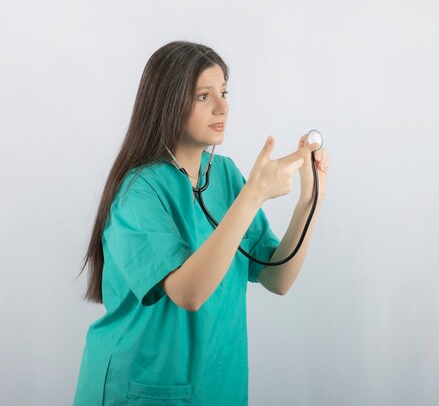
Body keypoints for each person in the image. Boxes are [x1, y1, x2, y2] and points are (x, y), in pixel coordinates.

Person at [73, 40, 330, 406]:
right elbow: (188, 293)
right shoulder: (139, 192)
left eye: (224, 91)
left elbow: (278, 278)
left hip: (217, 386)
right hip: (142, 387)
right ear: (167, 102)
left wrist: (310, 200)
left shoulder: (224, 176)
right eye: (203, 96)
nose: (223, 106)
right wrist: (254, 194)